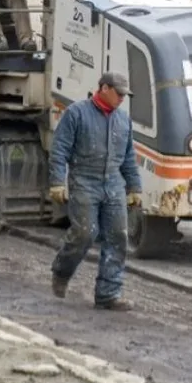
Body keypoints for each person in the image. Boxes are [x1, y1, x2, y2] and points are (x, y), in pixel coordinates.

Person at [48, 72, 142, 312]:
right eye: (118, 93)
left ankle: (108, 294)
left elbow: (129, 158)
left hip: (113, 183)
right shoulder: (76, 114)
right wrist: (58, 181)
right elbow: (59, 149)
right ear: (103, 88)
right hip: (84, 181)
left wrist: (134, 187)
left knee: (117, 237)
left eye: (124, 95)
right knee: (85, 233)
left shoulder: (123, 121)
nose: (122, 98)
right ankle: (61, 271)